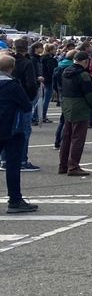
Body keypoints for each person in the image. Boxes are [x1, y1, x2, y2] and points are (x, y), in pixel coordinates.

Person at [0, 54, 37, 213]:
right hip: (11, 129)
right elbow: (27, 106)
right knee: (13, 166)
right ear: (11, 68)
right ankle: (15, 199)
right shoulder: (13, 85)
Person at [58, 51, 92, 177]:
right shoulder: (84, 75)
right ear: (85, 61)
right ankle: (73, 166)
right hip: (80, 107)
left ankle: (63, 165)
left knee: (67, 137)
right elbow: (90, 95)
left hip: (67, 105)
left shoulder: (65, 71)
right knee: (77, 138)